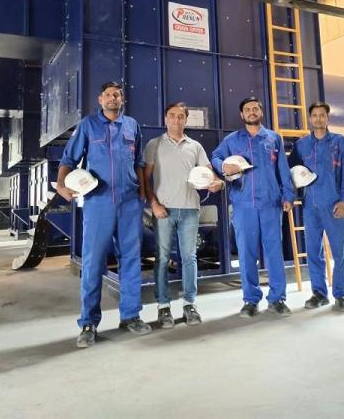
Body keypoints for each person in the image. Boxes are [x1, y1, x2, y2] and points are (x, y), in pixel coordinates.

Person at [56, 81, 152, 348]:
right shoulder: (88, 125)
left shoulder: (132, 126)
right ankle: (88, 322)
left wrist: (142, 192)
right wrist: (62, 186)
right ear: (100, 99)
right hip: (98, 202)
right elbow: (69, 159)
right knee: (93, 261)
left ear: (122, 99)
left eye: (117, 95)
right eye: (108, 95)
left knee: (131, 259)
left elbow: (139, 162)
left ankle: (131, 315)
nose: (113, 98)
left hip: (130, 202)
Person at [211, 97, 295, 318]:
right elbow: (215, 157)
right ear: (242, 114)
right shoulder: (231, 140)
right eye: (247, 109)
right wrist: (223, 165)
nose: (251, 112)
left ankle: (277, 299)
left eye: (255, 108)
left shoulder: (274, 138)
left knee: (274, 253)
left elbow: (283, 169)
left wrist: (288, 195)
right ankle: (250, 300)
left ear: (261, 112)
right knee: (247, 254)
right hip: (243, 205)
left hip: (271, 204)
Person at [143, 102, 224, 329]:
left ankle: (190, 304)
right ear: (165, 119)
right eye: (172, 115)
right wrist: (153, 204)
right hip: (164, 211)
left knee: (189, 258)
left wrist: (216, 183)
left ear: (186, 120)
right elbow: (145, 179)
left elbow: (209, 174)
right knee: (162, 259)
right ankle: (163, 306)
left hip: (190, 210)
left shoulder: (195, 147)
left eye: (181, 116)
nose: (176, 120)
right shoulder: (154, 145)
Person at [288, 102, 344, 312]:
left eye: (322, 115)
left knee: (338, 252)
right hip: (310, 207)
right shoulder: (301, 145)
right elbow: (291, 172)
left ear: (327, 118)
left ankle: (341, 295)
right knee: (313, 252)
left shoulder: (340, 143)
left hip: (334, 205)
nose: (318, 119)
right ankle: (319, 293)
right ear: (310, 118)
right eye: (314, 115)